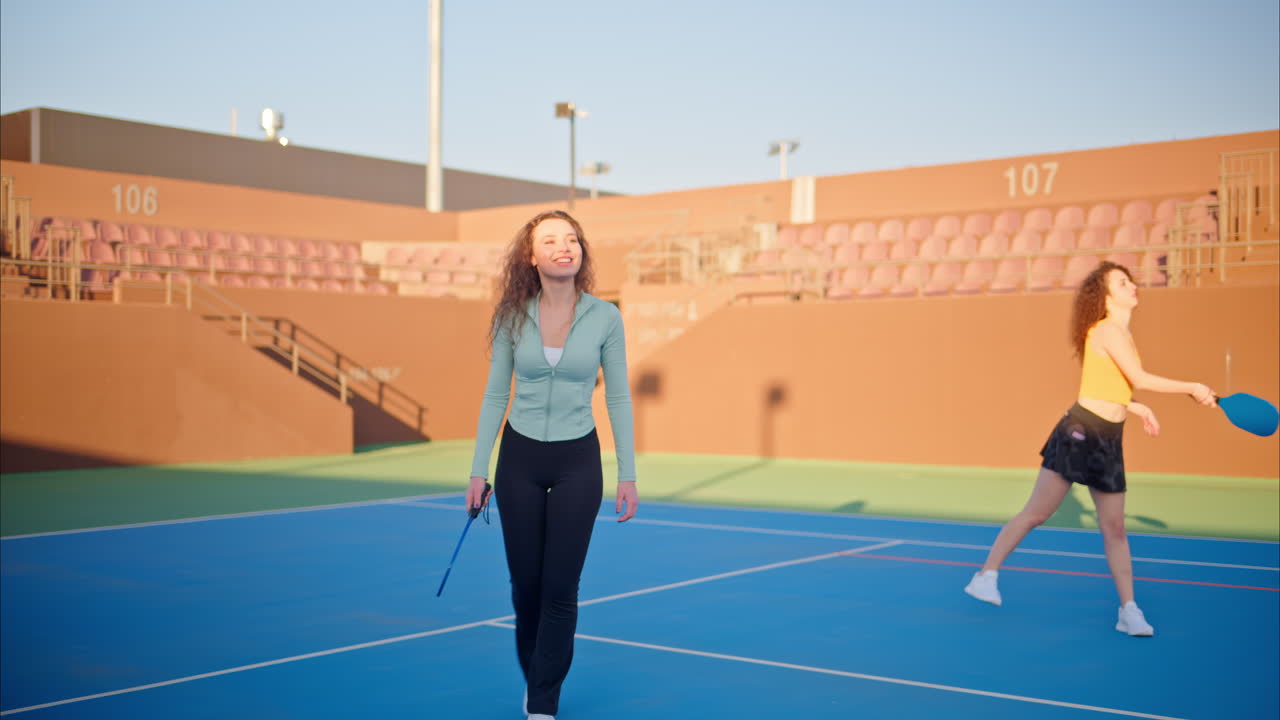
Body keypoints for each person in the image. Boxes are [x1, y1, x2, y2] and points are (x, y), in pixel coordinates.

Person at [963, 261, 1216, 636]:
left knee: (1114, 528)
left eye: (1131, 281)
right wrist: (1193, 386)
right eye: (1122, 282)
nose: (1133, 286)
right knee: (1036, 513)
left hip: (1108, 438)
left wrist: (1135, 406)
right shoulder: (1107, 330)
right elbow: (1139, 378)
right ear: (1107, 296)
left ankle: (1128, 611)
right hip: (1079, 432)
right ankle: (985, 575)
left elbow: (1106, 386)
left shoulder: (1122, 335)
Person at [465, 209, 638, 719]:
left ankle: (542, 702)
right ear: (530, 255)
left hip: (577, 462)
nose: (564, 247)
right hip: (519, 459)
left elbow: (620, 399)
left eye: (572, 239)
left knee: (561, 589)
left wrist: (627, 473)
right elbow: (496, 394)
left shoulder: (605, 316)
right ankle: (536, 676)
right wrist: (480, 469)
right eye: (551, 240)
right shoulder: (511, 316)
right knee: (526, 587)